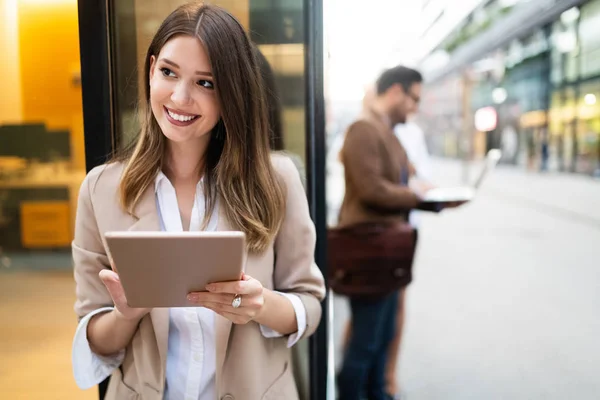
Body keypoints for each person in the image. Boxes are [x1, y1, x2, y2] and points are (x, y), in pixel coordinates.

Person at [71, 4, 325, 400]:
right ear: (151, 69)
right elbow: (96, 337)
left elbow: (309, 306)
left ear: (231, 93)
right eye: (168, 72)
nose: (180, 96)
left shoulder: (277, 180)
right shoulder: (100, 189)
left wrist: (260, 305)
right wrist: (127, 312)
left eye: (206, 83)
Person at [336, 66, 450, 400]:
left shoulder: (389, 132)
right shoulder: (362, 129)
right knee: (366, 341)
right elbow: (372, 190)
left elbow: (407, 181)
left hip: (386, 251)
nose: (415, 106)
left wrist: (437, 200)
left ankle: (377, 394)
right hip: (370, 250)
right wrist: (419, 196)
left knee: (382, 336)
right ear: (396, 91)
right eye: (413, 98)